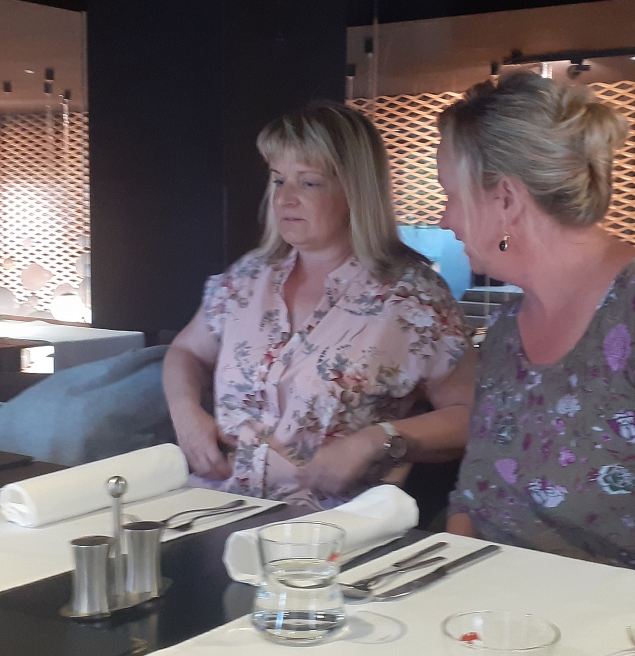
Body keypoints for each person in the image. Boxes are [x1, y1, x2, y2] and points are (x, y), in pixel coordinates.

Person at [438, 73, 635, 576]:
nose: (445, 220)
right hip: (493, 604)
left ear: (507, 200)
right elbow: (474, 498)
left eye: (451, 196)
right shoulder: (505, 330)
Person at [163, 101, 474, 511]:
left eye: (308, 182)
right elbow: (186, 352)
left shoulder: (413, 299)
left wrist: (380, 439)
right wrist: (185, 412)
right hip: (212, 508)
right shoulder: (247, 278)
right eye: (278, 180)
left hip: (331, 529)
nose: (285, 199)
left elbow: (472, 414)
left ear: (355, 190)